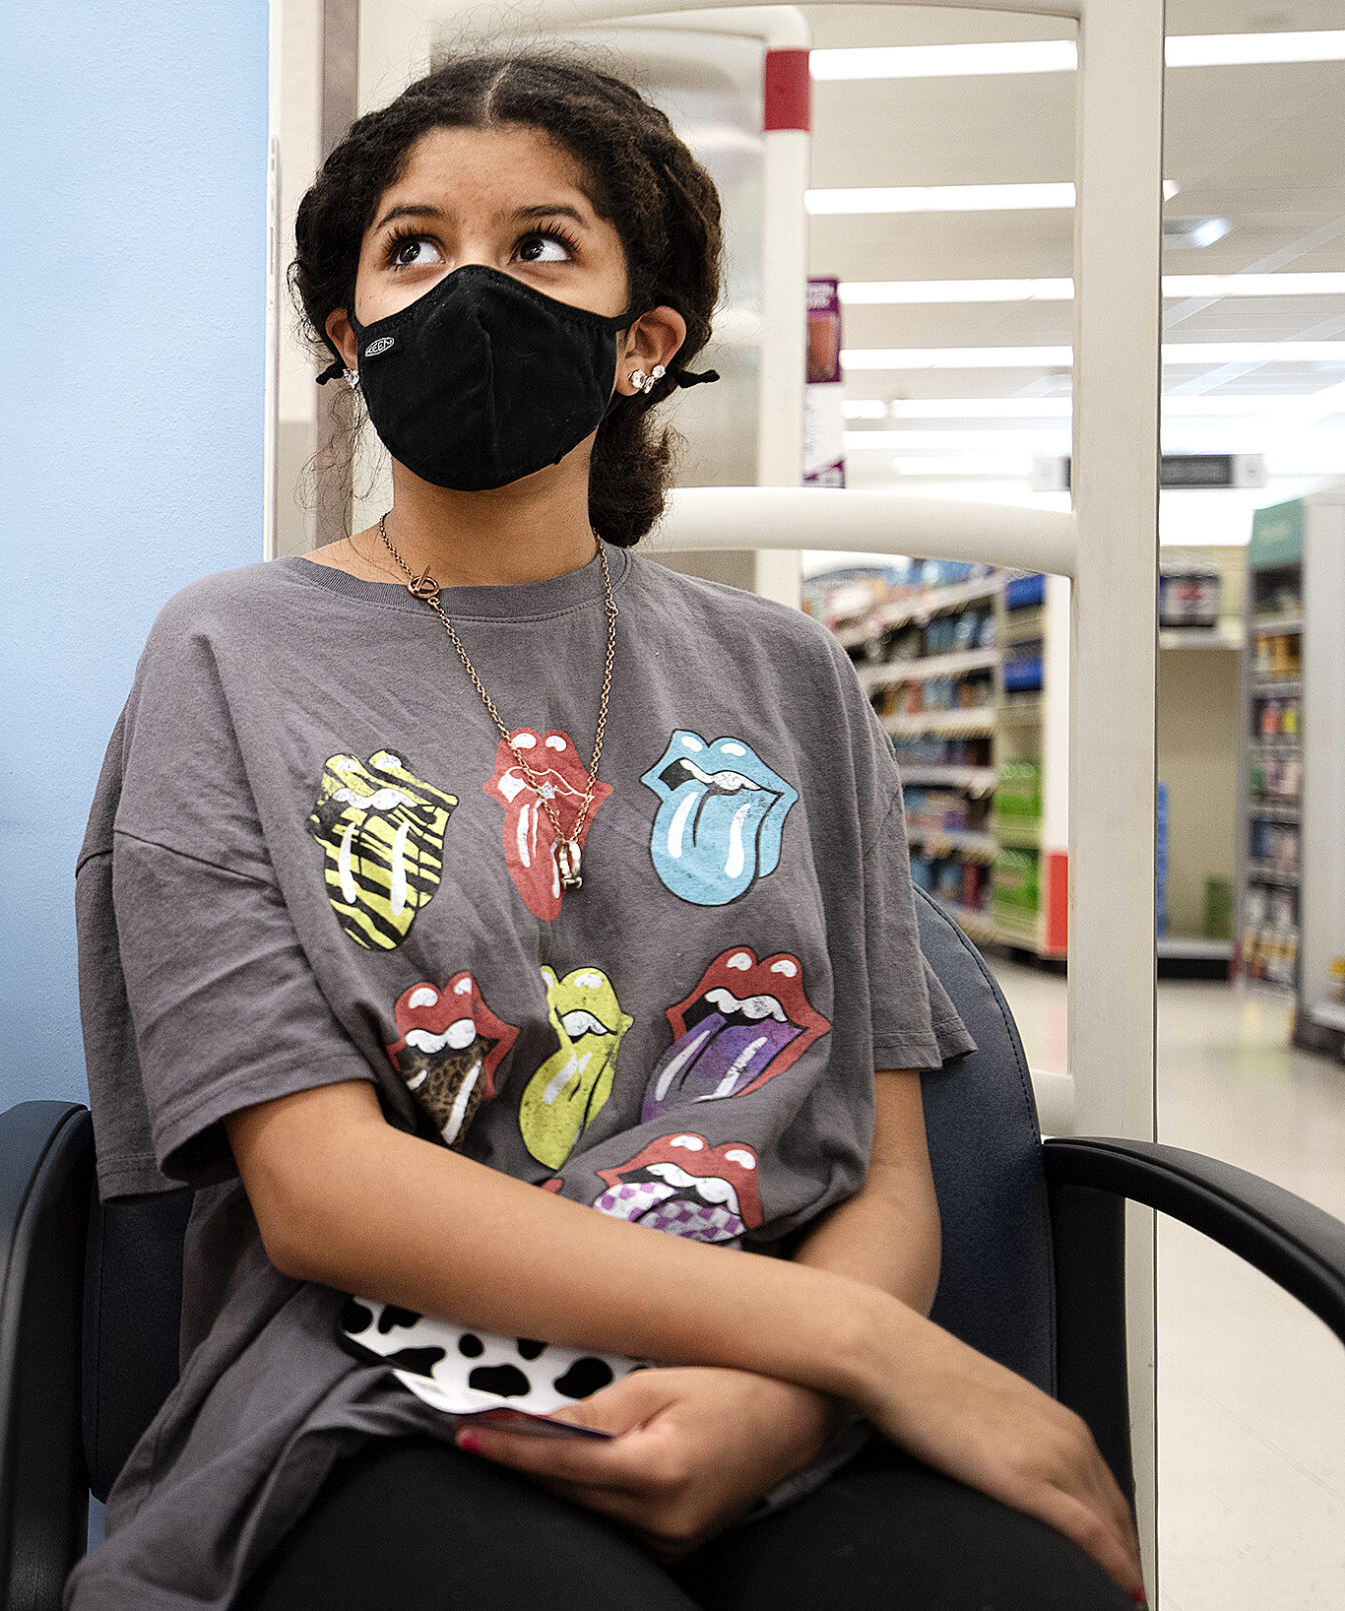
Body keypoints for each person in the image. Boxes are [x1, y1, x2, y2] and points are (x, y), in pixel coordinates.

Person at [67, 53, 1142, 1611]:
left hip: (767, 1384)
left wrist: (779, 1409)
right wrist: (864, 1348)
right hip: (387, 1401)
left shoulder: (792, 678)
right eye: (414, 247)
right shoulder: (228, 654)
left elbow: (882, 1165)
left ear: (647, 342)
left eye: (542, 244)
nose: (469, 289)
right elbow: (318, 1192)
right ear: (344, 333)